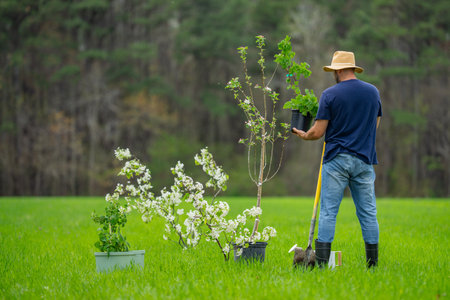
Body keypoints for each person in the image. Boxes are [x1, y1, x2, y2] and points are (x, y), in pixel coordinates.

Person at [293, 51, 382, 268]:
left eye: (334, 71)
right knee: (368, 212)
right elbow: (375, 123)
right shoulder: (373, 92)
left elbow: (318, 131)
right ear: (353, 69)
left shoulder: (330, 94)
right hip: (364, 159)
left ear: (339, 70)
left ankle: (322, 264)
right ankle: (373, 265)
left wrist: (305, 135)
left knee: (329, 211)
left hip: (336, 160)